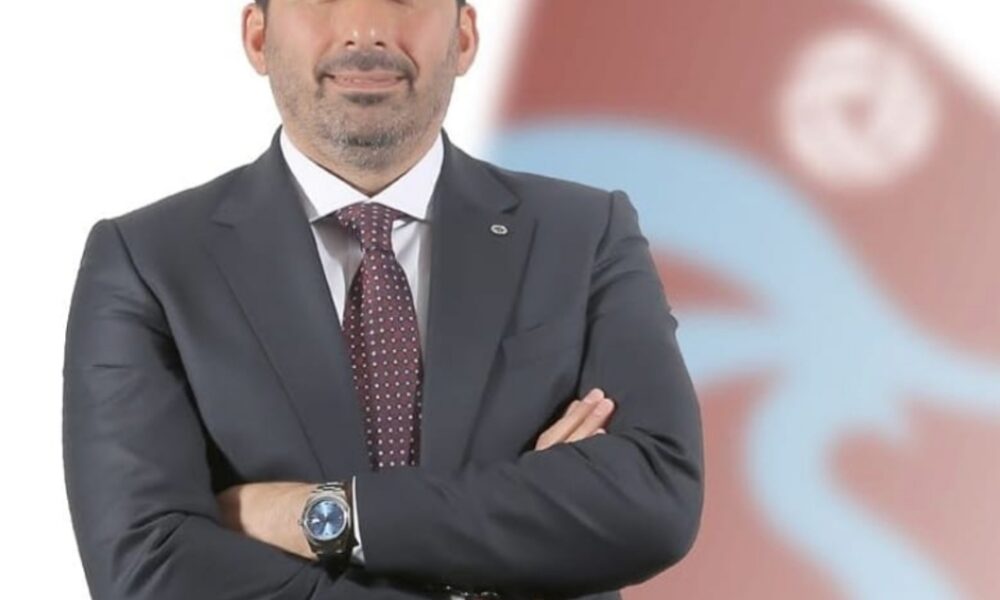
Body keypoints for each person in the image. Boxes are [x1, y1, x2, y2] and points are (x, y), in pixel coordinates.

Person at [61, 1, 704, 598]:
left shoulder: (584, 234)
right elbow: (148, 568)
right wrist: (529, 516)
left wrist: (325, 514)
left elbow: (654, 499)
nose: (365, 31)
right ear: (258, 37)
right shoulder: (147, 262)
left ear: (463, 37)